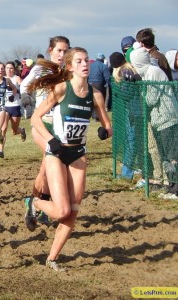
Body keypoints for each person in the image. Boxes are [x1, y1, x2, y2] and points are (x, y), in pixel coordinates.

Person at [25, 47, 112, 271]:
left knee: (72, 211)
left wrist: (105, 132)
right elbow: (35, 118)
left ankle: (52, 258)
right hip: (57, 152)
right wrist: (49, 139)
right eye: (80, 61)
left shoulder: (95, 95)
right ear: (71, 66)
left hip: (78, 154)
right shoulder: (62, 89)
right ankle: (33, 202)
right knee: (61, 210)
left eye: (87, 61)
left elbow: (107, 125)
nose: (85, 64)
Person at [21, 36, 70, 223]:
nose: (62, 54)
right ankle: (36, 203)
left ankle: (38, 203)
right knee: (49, 163)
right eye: (59, 50)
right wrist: (26, 97)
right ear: (51, 50)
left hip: (60, 125)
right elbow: (24, 85)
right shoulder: (41, 68)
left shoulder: (68, 70)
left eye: (66, 51)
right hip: (42, 122)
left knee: (48, 167)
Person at [130, 43, 178, 199]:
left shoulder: (153, 72)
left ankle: (177, 189)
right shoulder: (149, 71)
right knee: (166, 155)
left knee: (172, 155)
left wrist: (140, 88)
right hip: (161, 119)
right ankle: (172, 187)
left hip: (168, 118)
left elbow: (151, 99)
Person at [109, 51, 142, 181]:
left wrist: (118, 93)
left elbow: (128, 93)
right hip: (134, 109)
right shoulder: (128, 69)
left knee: (131, 141)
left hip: (134, 111)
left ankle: (127, 174)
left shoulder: (125, 71)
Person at [0, 61, 26, 159]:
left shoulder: (16, 78)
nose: (9, 70)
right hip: (5, 107)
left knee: (14, 131)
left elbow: (23, 88)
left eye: (11, 68)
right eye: (7, 68)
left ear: (14, 69)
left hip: (15, 106)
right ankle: (1, 150)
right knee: (3, 129)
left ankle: (21, 130)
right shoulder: (2, 79)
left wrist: (17, 92)